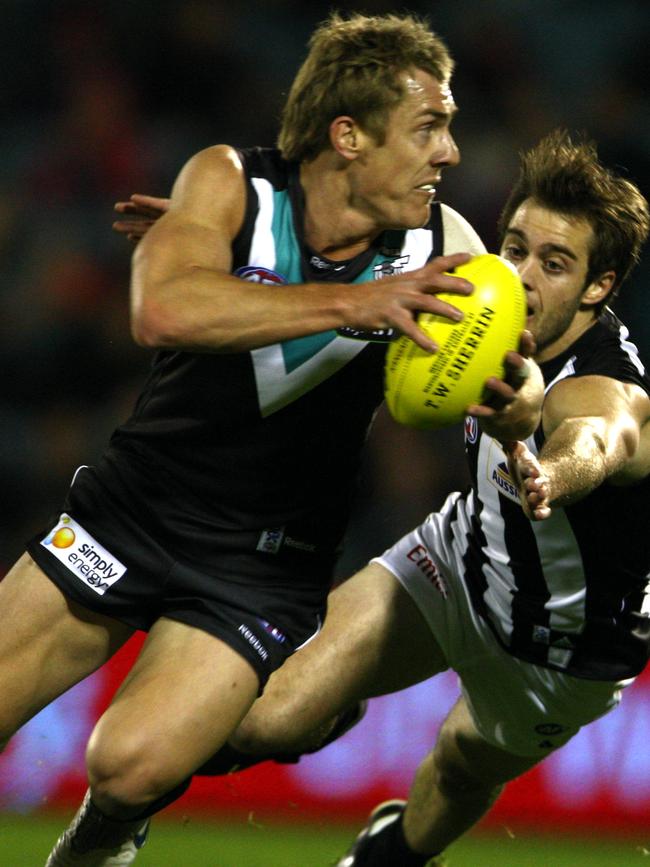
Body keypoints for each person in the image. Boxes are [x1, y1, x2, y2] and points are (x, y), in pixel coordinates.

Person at [0, 12, 535, 867]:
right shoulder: (230, 183)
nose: (452, 154)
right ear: (349, 135)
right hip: (129, 512)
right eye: (430, 127)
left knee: (126, 765)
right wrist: (354, 302)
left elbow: (511, 376)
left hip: (259, 566)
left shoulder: (446, 249)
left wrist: (516, 407)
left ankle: (105, 834)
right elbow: (160, 309)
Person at [114, 129, 650, 866]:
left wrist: (552, 473)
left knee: (462, 763)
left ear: (599, 287)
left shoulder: (610, 381)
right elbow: (346, 243)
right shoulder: (473, 300)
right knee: (258, 720)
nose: (523, 276)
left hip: (558, 649)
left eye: (554, 265)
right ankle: (335, 708)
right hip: (455, 561)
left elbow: (600, 436)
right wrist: (225, 237)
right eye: (517, 247)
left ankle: (386, 852)